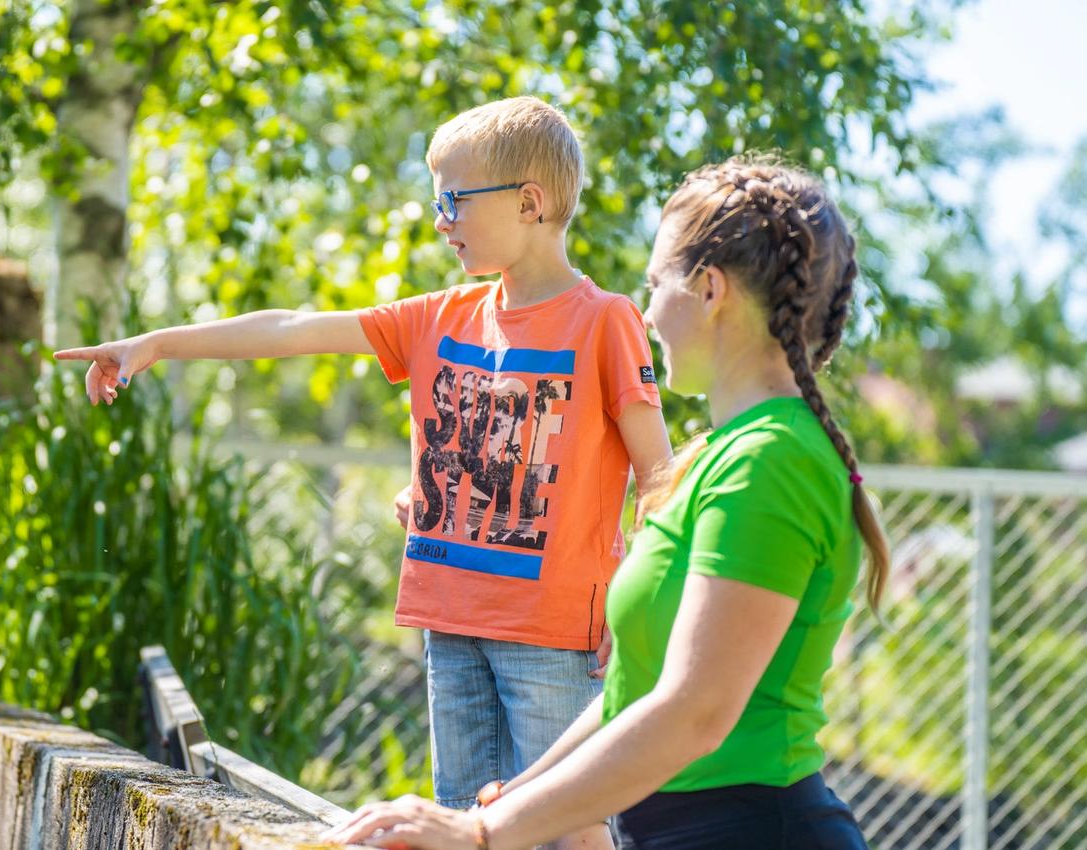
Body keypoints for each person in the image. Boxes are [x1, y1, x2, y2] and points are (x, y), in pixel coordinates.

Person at [54, 96, 672, 850]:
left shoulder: (604, 320)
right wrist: (156, 344)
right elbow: (290, 329)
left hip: (549, 634)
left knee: (563, 825)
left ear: (530, 203)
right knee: (460, 820)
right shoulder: (439, 316)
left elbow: (659, 474)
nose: (440, 219)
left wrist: (635, 586)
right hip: (448, 622)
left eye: (453, 200)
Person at [322, 156, 890, 850]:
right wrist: (494, 808)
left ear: (709, 289)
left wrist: (481, 831)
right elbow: (632, 692)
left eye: (655, 286)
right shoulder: (722, 453)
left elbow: (693, 713)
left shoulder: (772, 461)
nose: (646, 313)